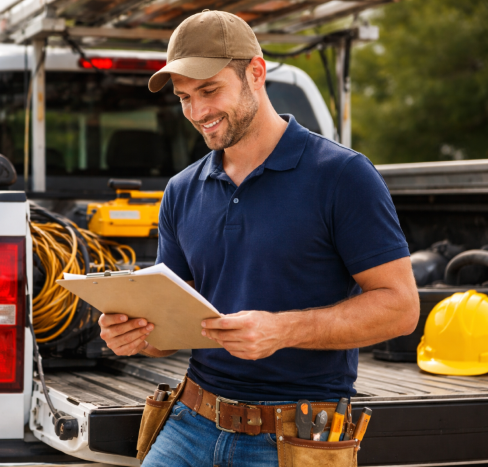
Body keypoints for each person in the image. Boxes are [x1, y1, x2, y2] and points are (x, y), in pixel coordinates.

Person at [98, 9, 419, 467]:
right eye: (185, 97)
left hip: (296, 437)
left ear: (256, 72)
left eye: (209, 90)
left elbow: (401, 307)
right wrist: (135, 335)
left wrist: (281, 330)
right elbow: (169, 331)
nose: (197, 112)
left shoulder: (343, 176)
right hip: (190, 423)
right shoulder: (181, 191)